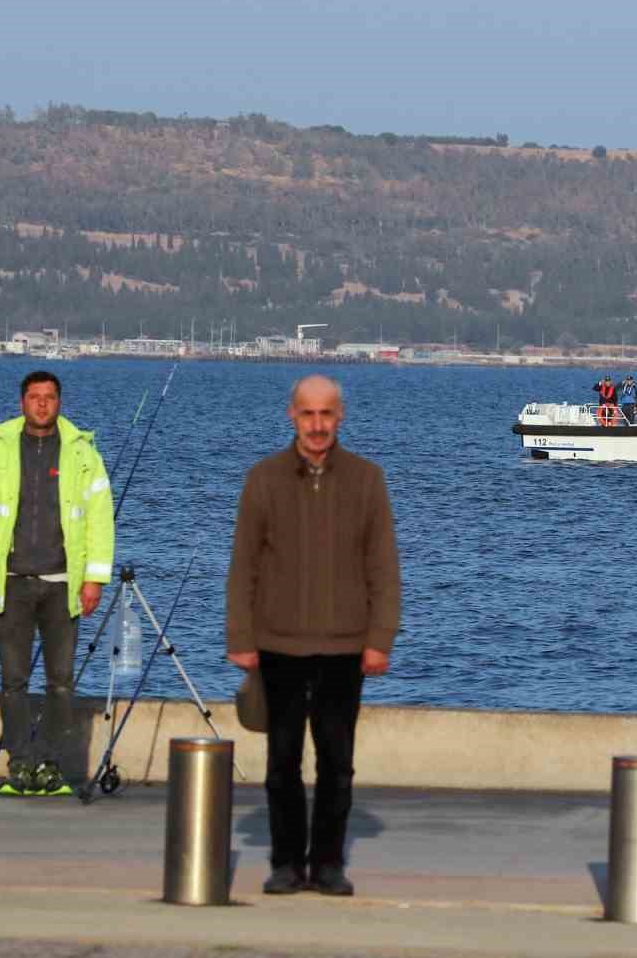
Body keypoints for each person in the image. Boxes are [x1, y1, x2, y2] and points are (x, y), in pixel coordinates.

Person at [226, 375, 401, 898]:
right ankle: (285, 863)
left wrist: (380, 638)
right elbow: (243, 567)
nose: (318, 425)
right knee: (281, 763)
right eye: (308, 414)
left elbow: (383, 567)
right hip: (277, 645)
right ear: (292, 416)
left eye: (327, 414)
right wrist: (241, 636)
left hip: (346, 647)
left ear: (340, 417)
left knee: (336, 763)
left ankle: (327, 865)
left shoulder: (368, 480)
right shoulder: (264, 478)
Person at [0, 370, 114, 797]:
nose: (42, 404)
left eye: (49, 397)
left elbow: (101, 521)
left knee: (61, 682)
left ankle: (49, 765)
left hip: (64, 585)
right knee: (13, 681)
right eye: (34, 397)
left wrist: (94, 580)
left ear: (60, 402)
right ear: (22, 402)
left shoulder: (85, 455)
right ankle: (20, 766)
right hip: (11, 584)